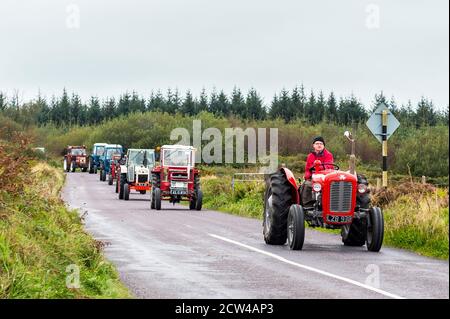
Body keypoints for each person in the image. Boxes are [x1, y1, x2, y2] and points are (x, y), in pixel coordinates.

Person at [300, 136, 334, 206]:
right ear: (313, 145)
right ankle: (307, 206)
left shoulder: (328, 155)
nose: (319, 145)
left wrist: (318, 167)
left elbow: (329, 165)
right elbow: (309, 168)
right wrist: (309, 175)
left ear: (323, 145)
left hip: (325, 177)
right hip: (313, 177)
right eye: (317, 143)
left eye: (321, 144)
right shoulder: (310, 156)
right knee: (307, 185)